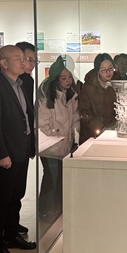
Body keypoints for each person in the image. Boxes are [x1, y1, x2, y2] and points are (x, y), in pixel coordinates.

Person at [0, 46, 37, 253]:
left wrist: (30, 145)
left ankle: (12, 234)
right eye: (18, 58)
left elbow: (26, 116)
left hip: (21, 149)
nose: (23, 62)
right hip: (6, 154)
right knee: (0, 201)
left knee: (16, 195)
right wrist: (1, 153)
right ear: (4, 63)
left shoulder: (22, 84)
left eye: (24, 58)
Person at [38, 56, 80, 224]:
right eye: (64, 78)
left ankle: (58, 208)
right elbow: (42, 124)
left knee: (61, 178)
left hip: (66, 145)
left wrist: (75, 136)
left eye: (69, 77)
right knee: (51, 178)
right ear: (56, 78)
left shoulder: (71, 95)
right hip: (50, 147)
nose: (68, 81)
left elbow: (75, 119)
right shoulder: (46, 96)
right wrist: (55, 136)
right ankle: (45, 210)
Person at [14, 41, 38, 236]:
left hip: (24, 140)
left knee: (19, 189)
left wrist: (31, 144)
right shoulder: (2, 82)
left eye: (33, 60)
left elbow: (28, 114)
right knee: (8, 191)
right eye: (27, 59)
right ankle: (1, 232)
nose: (31, 64)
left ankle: (13, 225)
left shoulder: (27, 81)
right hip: (10, 144)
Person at [79, 53, 118, 144]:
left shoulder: (117, 83)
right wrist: (100, 129)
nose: (108, 72)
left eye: (110, 68)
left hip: (112, 132)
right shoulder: (88, 87)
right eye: (104, 70)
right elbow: (85, 113)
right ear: (97, 71)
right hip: (92, 134)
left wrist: (114, 126)